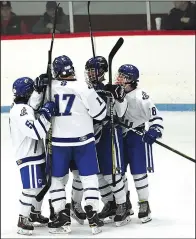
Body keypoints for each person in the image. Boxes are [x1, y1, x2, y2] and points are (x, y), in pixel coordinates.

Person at [44, 55, 106, 234]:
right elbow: (101, 114)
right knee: (89, 177)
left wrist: (39, 84)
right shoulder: (83, 87)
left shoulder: (49, 88)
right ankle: (93, 213)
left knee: (57, 180)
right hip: (83, 141)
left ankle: (60, 216)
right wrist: (98, 95)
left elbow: (35, 106)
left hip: (58, 143)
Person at [113, 64, 164, 223]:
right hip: (118, 136)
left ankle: (144, 203)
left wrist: (154, 130)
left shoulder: (141, 96)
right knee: (118, 172)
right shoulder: (114, 92)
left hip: (137, 137)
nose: (119, 78)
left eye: (124, 76)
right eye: (119, 75)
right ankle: (123, 203)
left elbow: (156, 117)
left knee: (138, 172)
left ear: (131, 80)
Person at [9, 77, 56, 235]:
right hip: (28, 155)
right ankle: (22, 219)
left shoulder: (23, 106)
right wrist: (46, 113)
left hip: (35, 153)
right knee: (31, 188)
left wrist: (37, 92)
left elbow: (32, 107)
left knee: (41, 185)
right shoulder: (20, 110)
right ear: (26, 93)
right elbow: (37, 132)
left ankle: (34, 213)